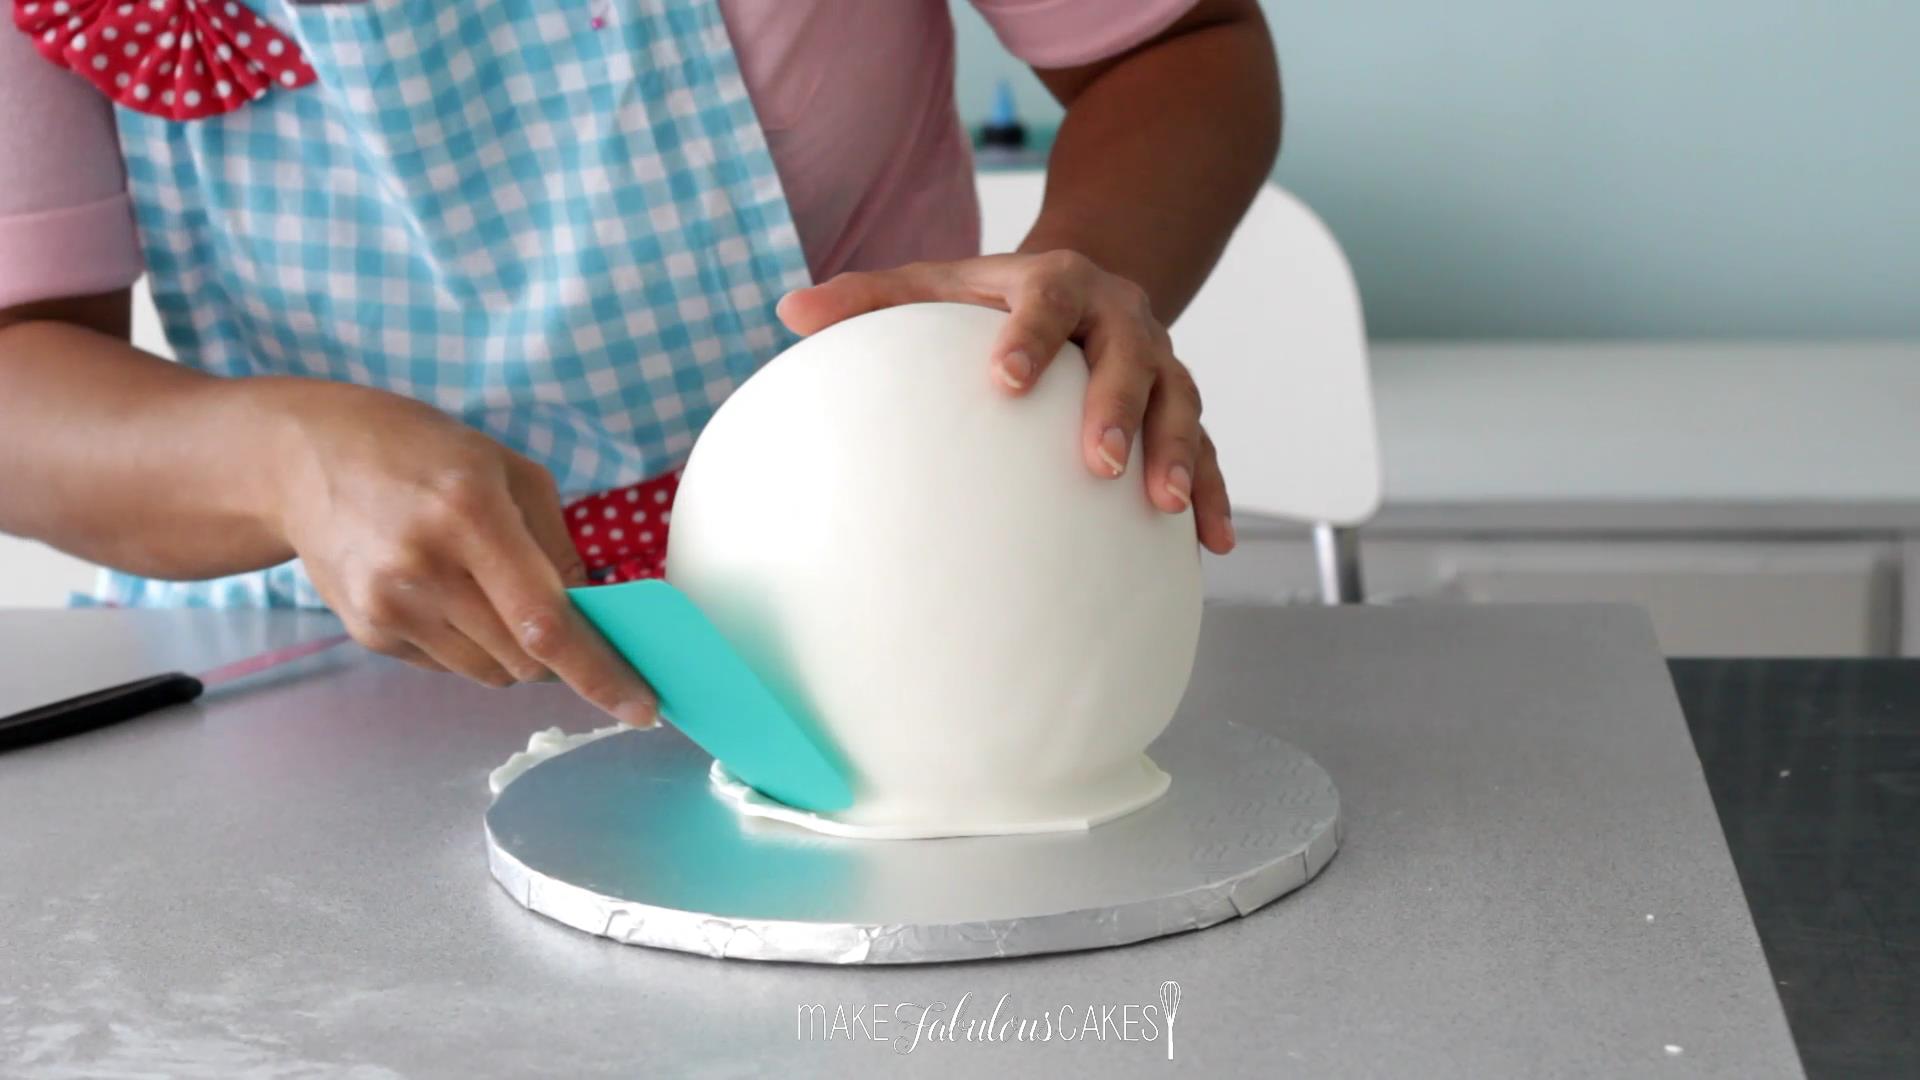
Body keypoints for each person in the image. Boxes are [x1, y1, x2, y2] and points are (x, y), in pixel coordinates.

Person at [0, 0, 1280, 727]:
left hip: (884, 628)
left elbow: (1178, 45)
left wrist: (1084, 276)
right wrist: (284, 464)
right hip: (302, 676)